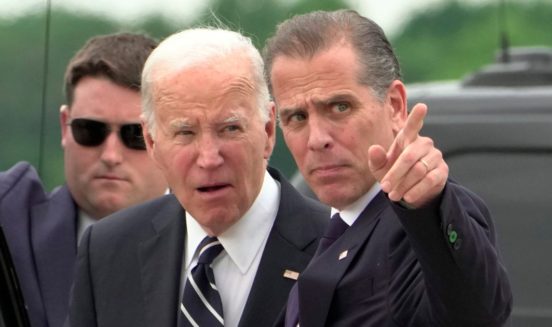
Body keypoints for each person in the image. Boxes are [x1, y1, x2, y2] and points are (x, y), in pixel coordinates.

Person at [264, 9, 513, 327]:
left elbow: (476, 314)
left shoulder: (422, 220)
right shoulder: (313, 236)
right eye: (297, 117)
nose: (317, 139)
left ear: (395, 106)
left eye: (340, 107)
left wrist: (427, 207)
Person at [67, 27, 328, 327]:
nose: (208, 158)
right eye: (185, 133)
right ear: (151, 142)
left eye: (230, 129)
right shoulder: (108, 251)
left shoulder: (337, 249)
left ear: (268, 131)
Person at [0, 33, 168, 327]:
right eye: (90, 130)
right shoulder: (10, 219)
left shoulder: (211, 239)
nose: (111, 154)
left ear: (166, 135)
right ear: (65, 127)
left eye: (134, 135)